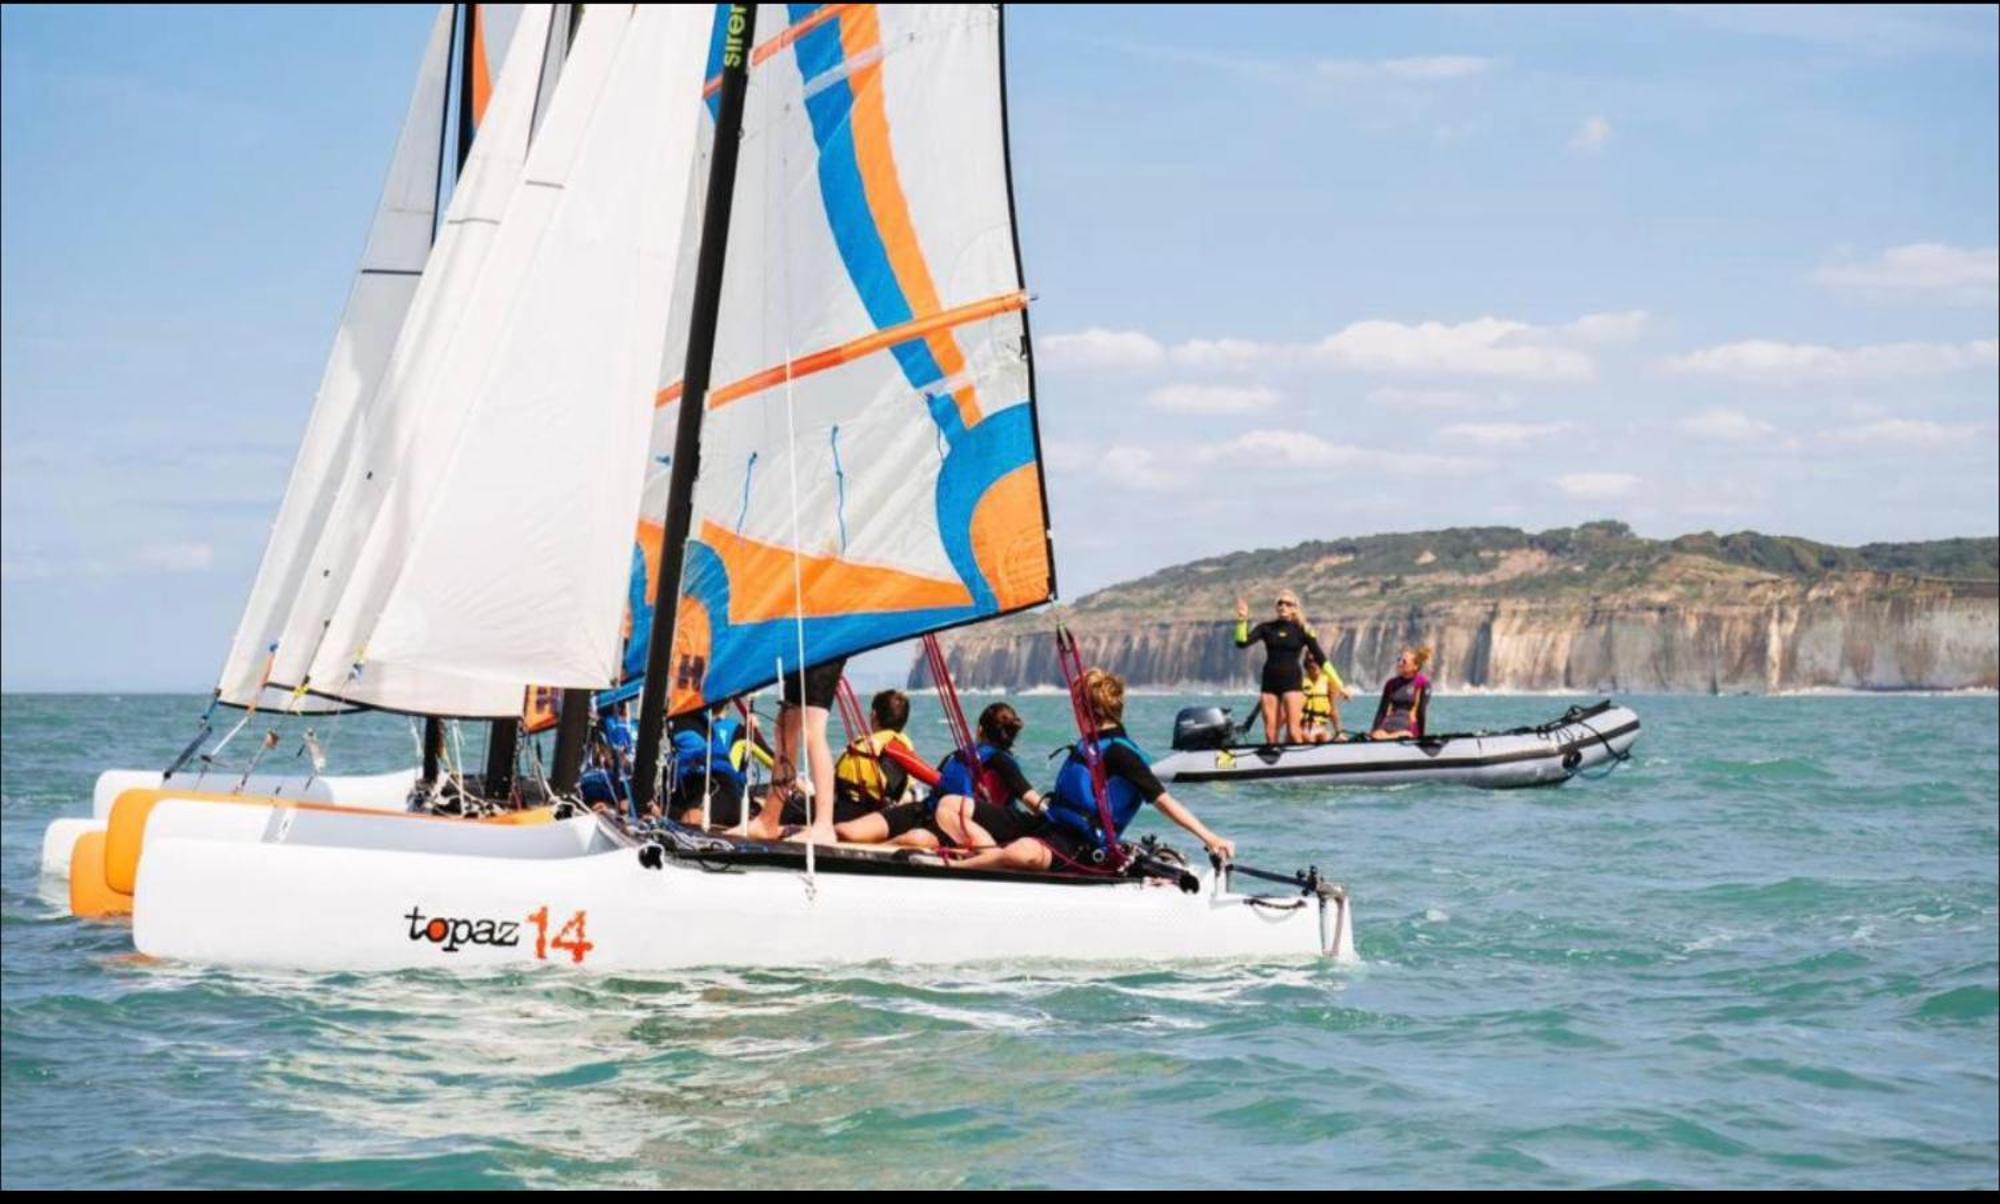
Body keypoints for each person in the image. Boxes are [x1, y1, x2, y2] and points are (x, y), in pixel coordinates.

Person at [949, 669, 1235, 874]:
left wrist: (1210, 838)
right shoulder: (1091, 745)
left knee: (1021, 851)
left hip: (1080, 844)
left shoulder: (1120, 753)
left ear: (1087, 709)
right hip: (1049, 824)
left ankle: (956, 867)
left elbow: (1163, 800)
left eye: (1076, 704)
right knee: (953, 806)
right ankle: (978, 857)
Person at [843, 702, 1044, 849]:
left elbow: (1028, 797)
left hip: (942, 823)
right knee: (855, 832)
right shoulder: (976, 758)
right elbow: (1032, 800)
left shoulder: (972, 758)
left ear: (980, 730)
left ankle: (872, 849)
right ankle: (874, 849)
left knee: (911, 838)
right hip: (930, 816)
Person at [753, 686, 937, 838]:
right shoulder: (897, 745)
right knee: (791, 805)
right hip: (864, 811)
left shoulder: (883, 745)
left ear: (873, 715)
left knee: (782, 808)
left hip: (851, 811)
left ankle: (756, 816)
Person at [766, 655, 846, 844]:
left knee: (813, 728)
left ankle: (824, 825)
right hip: (802, 639)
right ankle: (768, 819)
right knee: (785, 726)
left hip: (826, 638)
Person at [1233, 590, 1326, 745]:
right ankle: (1273, 763)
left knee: (1293, 732)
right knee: (1270, 734)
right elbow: (1241, 642)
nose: (1283, 606)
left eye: (1288, 603)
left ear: (1295, 608)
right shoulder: (1266, 628)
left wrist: (1340, 685)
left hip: (1292, 684)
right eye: (1280, 603)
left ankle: (1299, 764)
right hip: (1269, 683)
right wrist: (1242, 620)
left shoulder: (1303, 630)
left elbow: (1321, 657)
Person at [664, 702, 754, 828]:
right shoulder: (730, 727)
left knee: (691, 818)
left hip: (714, 791)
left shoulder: (688, 724)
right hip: (733, 791)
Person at [1369, 646, 1433, 740]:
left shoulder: (1422, 683)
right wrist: (1373, 731)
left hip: (1407, 727)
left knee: (1402, 736)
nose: (1399, 663)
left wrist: (1421, 737)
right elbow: (1381, 711)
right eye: (1399, 660)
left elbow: (1421, 712)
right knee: (1377, 735)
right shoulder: (1391, 683)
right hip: (1389, 724)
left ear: (1415, 666)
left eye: (1404, 661)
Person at [1300, 646, 1354, 743]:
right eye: (1311, 661)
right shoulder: (1299, 683)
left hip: (1320, 728)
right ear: (1306, 663)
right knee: (1307, 737)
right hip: (1303, 728)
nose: (1314, 664)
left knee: (1325, 737)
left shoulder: (1328, 683)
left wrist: (1339, 732)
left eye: (1317, 660)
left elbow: (1333, 711)